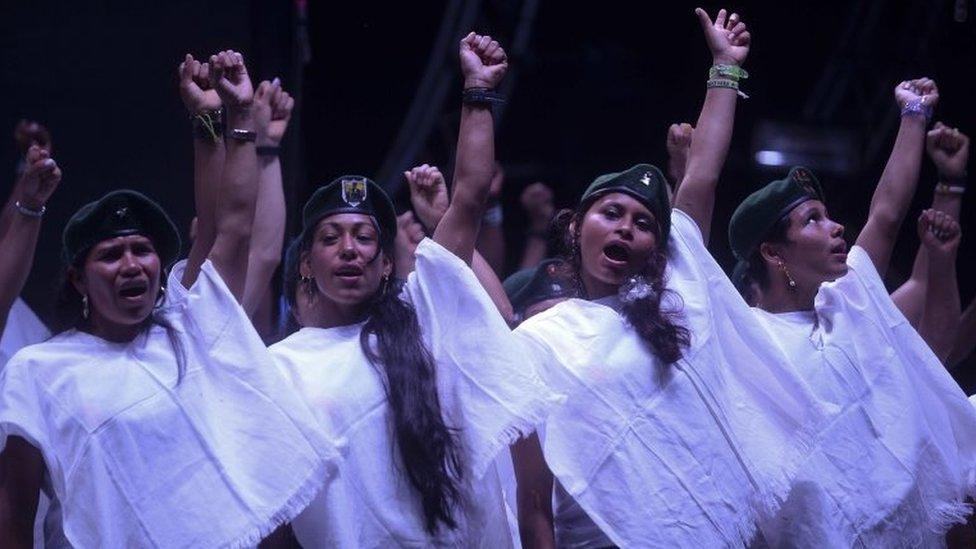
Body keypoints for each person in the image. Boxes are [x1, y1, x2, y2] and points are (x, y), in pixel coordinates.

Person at [512, 10, 836, 547]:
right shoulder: (538, 341)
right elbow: (532, 499)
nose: (626, 228)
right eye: (611, 213)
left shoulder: (675, 301)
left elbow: (702, 175)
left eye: (643, 224)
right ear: (577, 227)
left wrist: (725, 70)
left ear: (657, 248)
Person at [0, 50, 335, 547]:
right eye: (111, 255)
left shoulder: (188, 327)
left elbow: (235, 224)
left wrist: (231, 117)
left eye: (142, 250)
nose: (132, 264)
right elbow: (14, 510)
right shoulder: (40, 371)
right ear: (77, 278)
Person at [269, 34, 556, 547]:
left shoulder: (419, 312)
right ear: (307, 265)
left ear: (387, 265)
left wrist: (477, 90)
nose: (350, 250)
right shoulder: (281, 365)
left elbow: (468, 199)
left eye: (364, 238)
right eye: (331, 239)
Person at [728, 79, 976, 544]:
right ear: (773, 253)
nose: (836, 226)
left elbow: (886, 214)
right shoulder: (750, 340)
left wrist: (913, 113)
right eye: (812, 220)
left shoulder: (847, 301)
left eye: (827, 214)